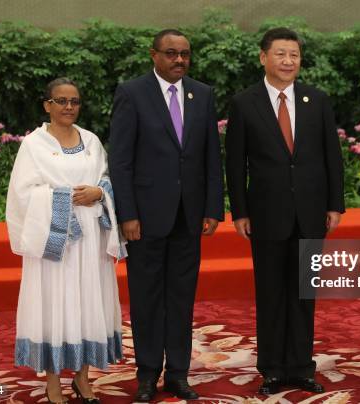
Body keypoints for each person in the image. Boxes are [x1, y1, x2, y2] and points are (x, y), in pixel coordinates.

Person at [225, 27, 345, 395]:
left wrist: (334, 204)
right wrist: (240, 211)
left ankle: (301, 367)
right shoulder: (245, 103)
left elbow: (331, 156)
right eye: (280, 54)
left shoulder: (317, 100)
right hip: (265, 214)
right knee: (271, 294)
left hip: (310, 213)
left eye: (294, 54)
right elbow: (234, 162)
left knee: (303, 294)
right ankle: (273, 368)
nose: (288, 61)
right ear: (263, 57)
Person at [108, 29, 224, 401]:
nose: (179, 60)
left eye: (185, 54)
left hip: (189, 217)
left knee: (181, 298)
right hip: (145, 218)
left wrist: (211, 208)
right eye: (171, 53)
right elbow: (121, 160)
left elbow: (209, 156)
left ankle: (178, 373)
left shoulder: (202, 94)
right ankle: (146, 375)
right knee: (146, 298)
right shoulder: (131, 93)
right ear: (153, 55)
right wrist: (127, 213)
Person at [6, 78, 124, 404]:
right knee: (55, 305)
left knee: (89, 303)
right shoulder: (34, 144)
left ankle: (83, 379)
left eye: (74, 101)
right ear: (47, 105)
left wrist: (99, 192)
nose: (68, 107)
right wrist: (62, 196)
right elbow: (22, 194)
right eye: (61, 101)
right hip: (52, 241)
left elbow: (108, 180)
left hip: (91, 241)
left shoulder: (91, 140)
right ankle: (54, 382)